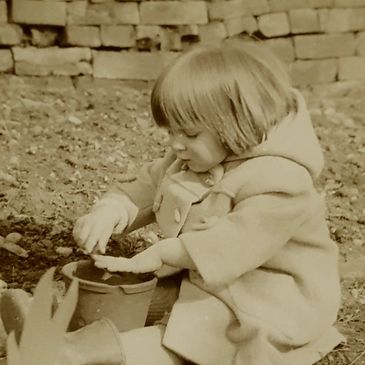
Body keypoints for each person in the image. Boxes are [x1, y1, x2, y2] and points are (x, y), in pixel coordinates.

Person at [5, 40, 345, 365]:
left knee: (195, 334)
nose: (176, 145)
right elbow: (147, 186)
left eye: (189, 134)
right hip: (203, 278)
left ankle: (75, 353)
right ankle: (54, 317)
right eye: (171, 132)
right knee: (140, 293)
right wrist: (112, 210)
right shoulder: (195, 156)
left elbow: (232, 244)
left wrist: (163, 252)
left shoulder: (281, 181)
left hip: (269, 297)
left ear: (237, 126)